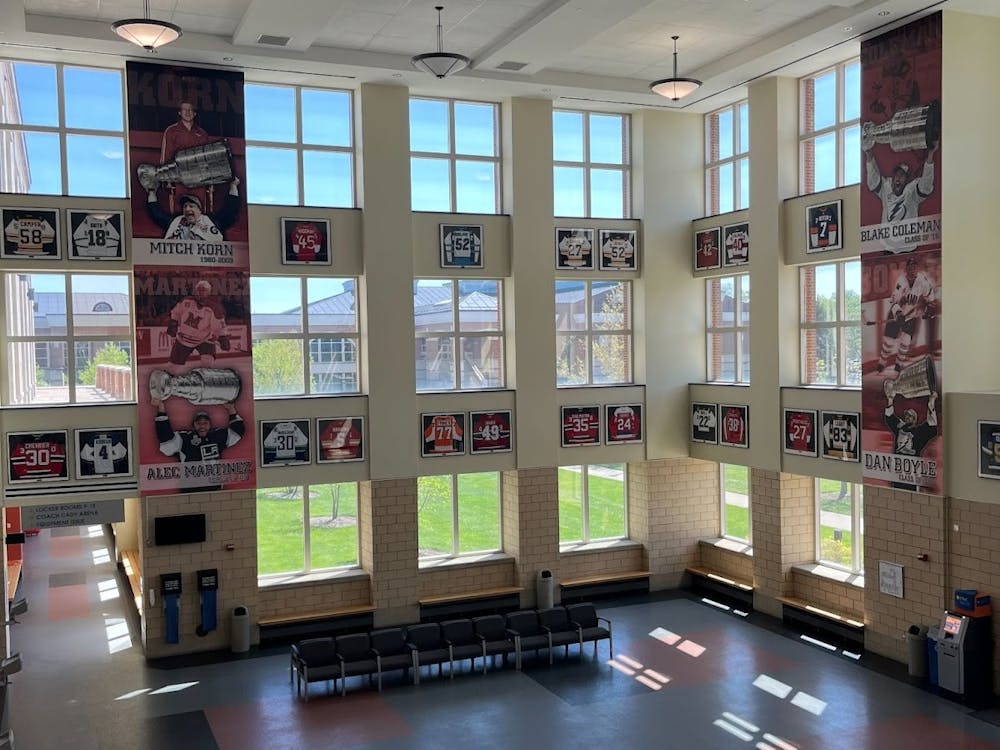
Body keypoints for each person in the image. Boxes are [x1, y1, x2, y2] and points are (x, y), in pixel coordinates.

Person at [864, 140, 937, 253]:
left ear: (907, 179)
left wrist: (931, 155)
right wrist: (868, 153)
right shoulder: (886, 188)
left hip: (908, 249)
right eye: (896, 175)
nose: (898, 178)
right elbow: (873, 179)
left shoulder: (911, 192)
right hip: (888, 249)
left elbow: (926, 184)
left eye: (902, 175)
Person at [876, 256, 937, 373]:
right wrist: (898, 313)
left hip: (910, 316)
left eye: (914, 267)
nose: (912, 270)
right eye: (910, 267)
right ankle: (882, 363)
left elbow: (930, 295)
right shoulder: (901, 281)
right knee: (888, 342)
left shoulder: (922, 281)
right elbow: (894, 301)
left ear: (917, 268)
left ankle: (899, 365)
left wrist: (930, 307)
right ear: (906, 269)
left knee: (906, 342)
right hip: (896, 314)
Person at [152, 398, 244, 465]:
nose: (202, 426)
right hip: (191, 487)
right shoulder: (185, 438)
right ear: (193, 425)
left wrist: (231, 409)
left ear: (210, 424)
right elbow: (166, 440)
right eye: (198, 423)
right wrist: (161, 409)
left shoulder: (218, 436)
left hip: (214, 486)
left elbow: (238, 432)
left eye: (205, 422)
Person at [166, 279, 229, 373]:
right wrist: (173, 323)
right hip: (184, 338)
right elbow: (176, 312)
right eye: (198, 290)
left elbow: (219, 326)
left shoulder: (214, 308)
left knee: (208, 361)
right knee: (173, 367)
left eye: (203, 290)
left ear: (209, 292)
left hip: (204, 339)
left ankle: (205, 380)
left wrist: (223, 338)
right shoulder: (186, 301)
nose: (200, 293)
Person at [146, 178, 241, 241]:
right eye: (185, 207)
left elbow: (230, 211)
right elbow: (157, 215)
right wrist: (151, 192)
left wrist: (233, 186)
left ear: (199, 210)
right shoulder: (175, 222)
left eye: (191, 206)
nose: (187, 209)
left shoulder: (212, 222)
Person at [885, 389, 938, 490]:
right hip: (898, 470)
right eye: (906, 415)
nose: (906, 417)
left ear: (914, 419)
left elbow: (931, 425)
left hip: (911, 473)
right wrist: (890, 400)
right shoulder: (900, 427)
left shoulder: (919, 432)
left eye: (910, 416)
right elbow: (889, 417)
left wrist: (931, 403)